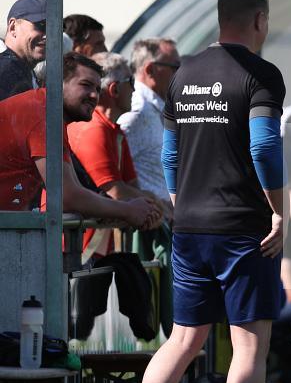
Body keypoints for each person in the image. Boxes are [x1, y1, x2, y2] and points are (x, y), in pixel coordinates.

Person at [108, 0, 286, 383]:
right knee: (250, 343)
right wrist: (279, 211)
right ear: (258, 21)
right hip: (244, 227)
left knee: (184, 339)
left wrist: (180, 201)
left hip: (189, 227)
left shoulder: (184, 74)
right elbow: (265, 148)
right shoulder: (261, 73)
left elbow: (170, 154)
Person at [0, 52, 156, 228]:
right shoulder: (40, 114)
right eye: (86, 85)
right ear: (58, 84)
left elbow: (72, 189)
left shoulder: (48, 113)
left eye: (97, 89)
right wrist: (127, 210)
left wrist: (115, 210)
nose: (94, 95)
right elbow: (67, 196)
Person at [67, 52, 165, 258]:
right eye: (130, 80)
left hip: (95, 247)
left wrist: (153, 205)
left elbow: (131, 186)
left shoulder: (114, 130)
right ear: (115, 89)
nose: (135, 87)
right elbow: (116, 192)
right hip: (79, 248)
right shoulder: (94, 129)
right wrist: (157, 208)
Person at [118, 37, 181, 220]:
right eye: (175, 67)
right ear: (150, 70)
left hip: (159, 220)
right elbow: (115, 174)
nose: (181, 73)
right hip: (145, 225)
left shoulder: (154, 107)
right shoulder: (136, 110)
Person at [0, 0, 46, 101]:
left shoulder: (20, 68)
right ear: (13, 27)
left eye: (54, 28)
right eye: (41, 26)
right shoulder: (6, 70)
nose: (48, 35)